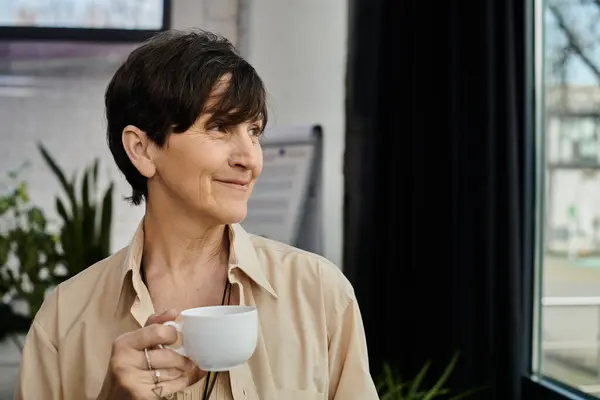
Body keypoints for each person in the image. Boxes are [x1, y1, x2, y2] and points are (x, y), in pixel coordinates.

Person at [14, 29, 378, 400]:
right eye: (219, 127)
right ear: (142, 149)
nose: (250, 159)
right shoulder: (64, 319)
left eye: (254, 131)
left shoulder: (318, 293)